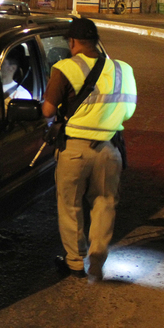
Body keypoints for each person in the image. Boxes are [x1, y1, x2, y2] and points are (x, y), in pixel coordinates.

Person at [42, 18, 137, 281]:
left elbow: (48, 111)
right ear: (96, 41)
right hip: (109, 149)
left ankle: (74, 262)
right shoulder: (123, 69)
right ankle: (97, 260)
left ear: (72, 42)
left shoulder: (65, 68)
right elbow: (129, 111)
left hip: (74, 150)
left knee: (70, 206)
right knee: (105, 203)